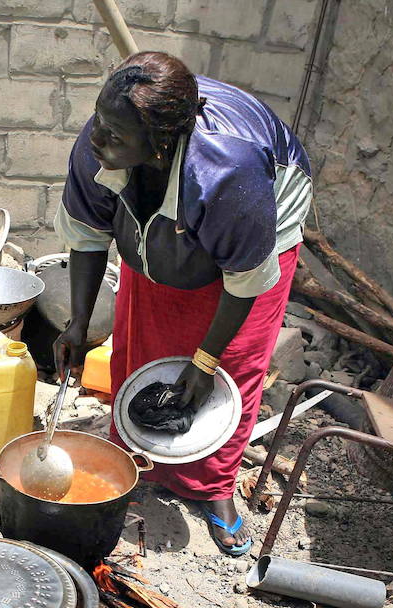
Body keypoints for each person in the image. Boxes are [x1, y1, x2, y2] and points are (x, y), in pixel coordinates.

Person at [53, 52, 313, 556]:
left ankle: (214, 489)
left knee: (227, 368)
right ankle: (137, 455)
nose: (96, 140)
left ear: (161, 142)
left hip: (260, 212)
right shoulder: (103, 144)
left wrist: (205, 359)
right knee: (144, 336)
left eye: (114, 134)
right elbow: (87, 236)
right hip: (172, 192)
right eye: (99, 122)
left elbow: (245, 281)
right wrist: (77, 325)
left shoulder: (227, 172)